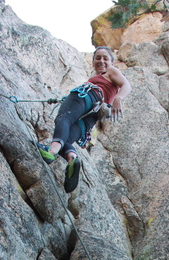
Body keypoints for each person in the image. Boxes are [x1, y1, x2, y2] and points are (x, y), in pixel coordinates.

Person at [37, 46, 131, 193]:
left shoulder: (110, 72)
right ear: (93, 62)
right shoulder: (99, 78)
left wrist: (119, 98)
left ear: (112, 62)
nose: (101, 61)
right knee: (66, 140)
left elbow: (126, 85)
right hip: (92, 115)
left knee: (64, 118)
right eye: (98, 58)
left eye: (105, 58)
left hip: (87, 96)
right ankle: (72, 158)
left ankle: (52, 150)